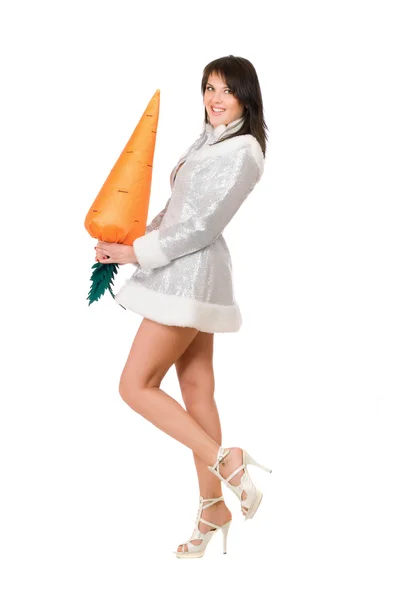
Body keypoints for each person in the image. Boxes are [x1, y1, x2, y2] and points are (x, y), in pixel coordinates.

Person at [95, 55, 272, 559]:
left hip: (188, 277)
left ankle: (228, 460)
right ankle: (213, 507)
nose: (215, 99)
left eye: (226, 91)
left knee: (134, 386)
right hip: (187, 273)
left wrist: (136, 253)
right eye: (208, 88)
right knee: (197, 393)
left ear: (246, 97)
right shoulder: (212, 139)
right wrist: (124, 242)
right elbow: (177, 213)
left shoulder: (243, 153)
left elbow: (201, 226)